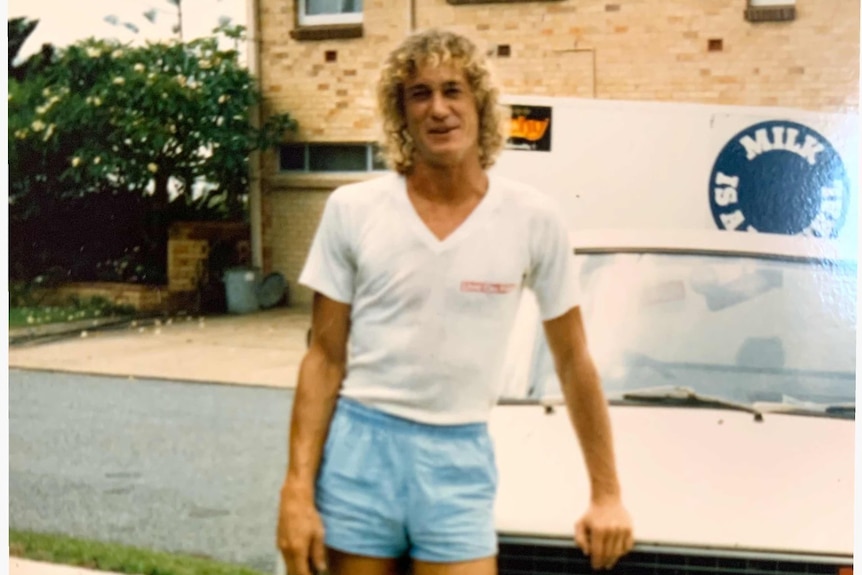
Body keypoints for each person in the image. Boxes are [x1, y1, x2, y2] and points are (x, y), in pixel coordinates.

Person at [276, 27, 634, 575]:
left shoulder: (532, 218)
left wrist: (606, 494)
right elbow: (324, 359)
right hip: (360, 452)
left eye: (453, 91)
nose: (438, 109)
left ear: (481, 107)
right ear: (402, 114)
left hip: (459, 458)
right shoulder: (354, 209)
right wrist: (297, 493)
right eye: (420, 94)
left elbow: (573, 361)